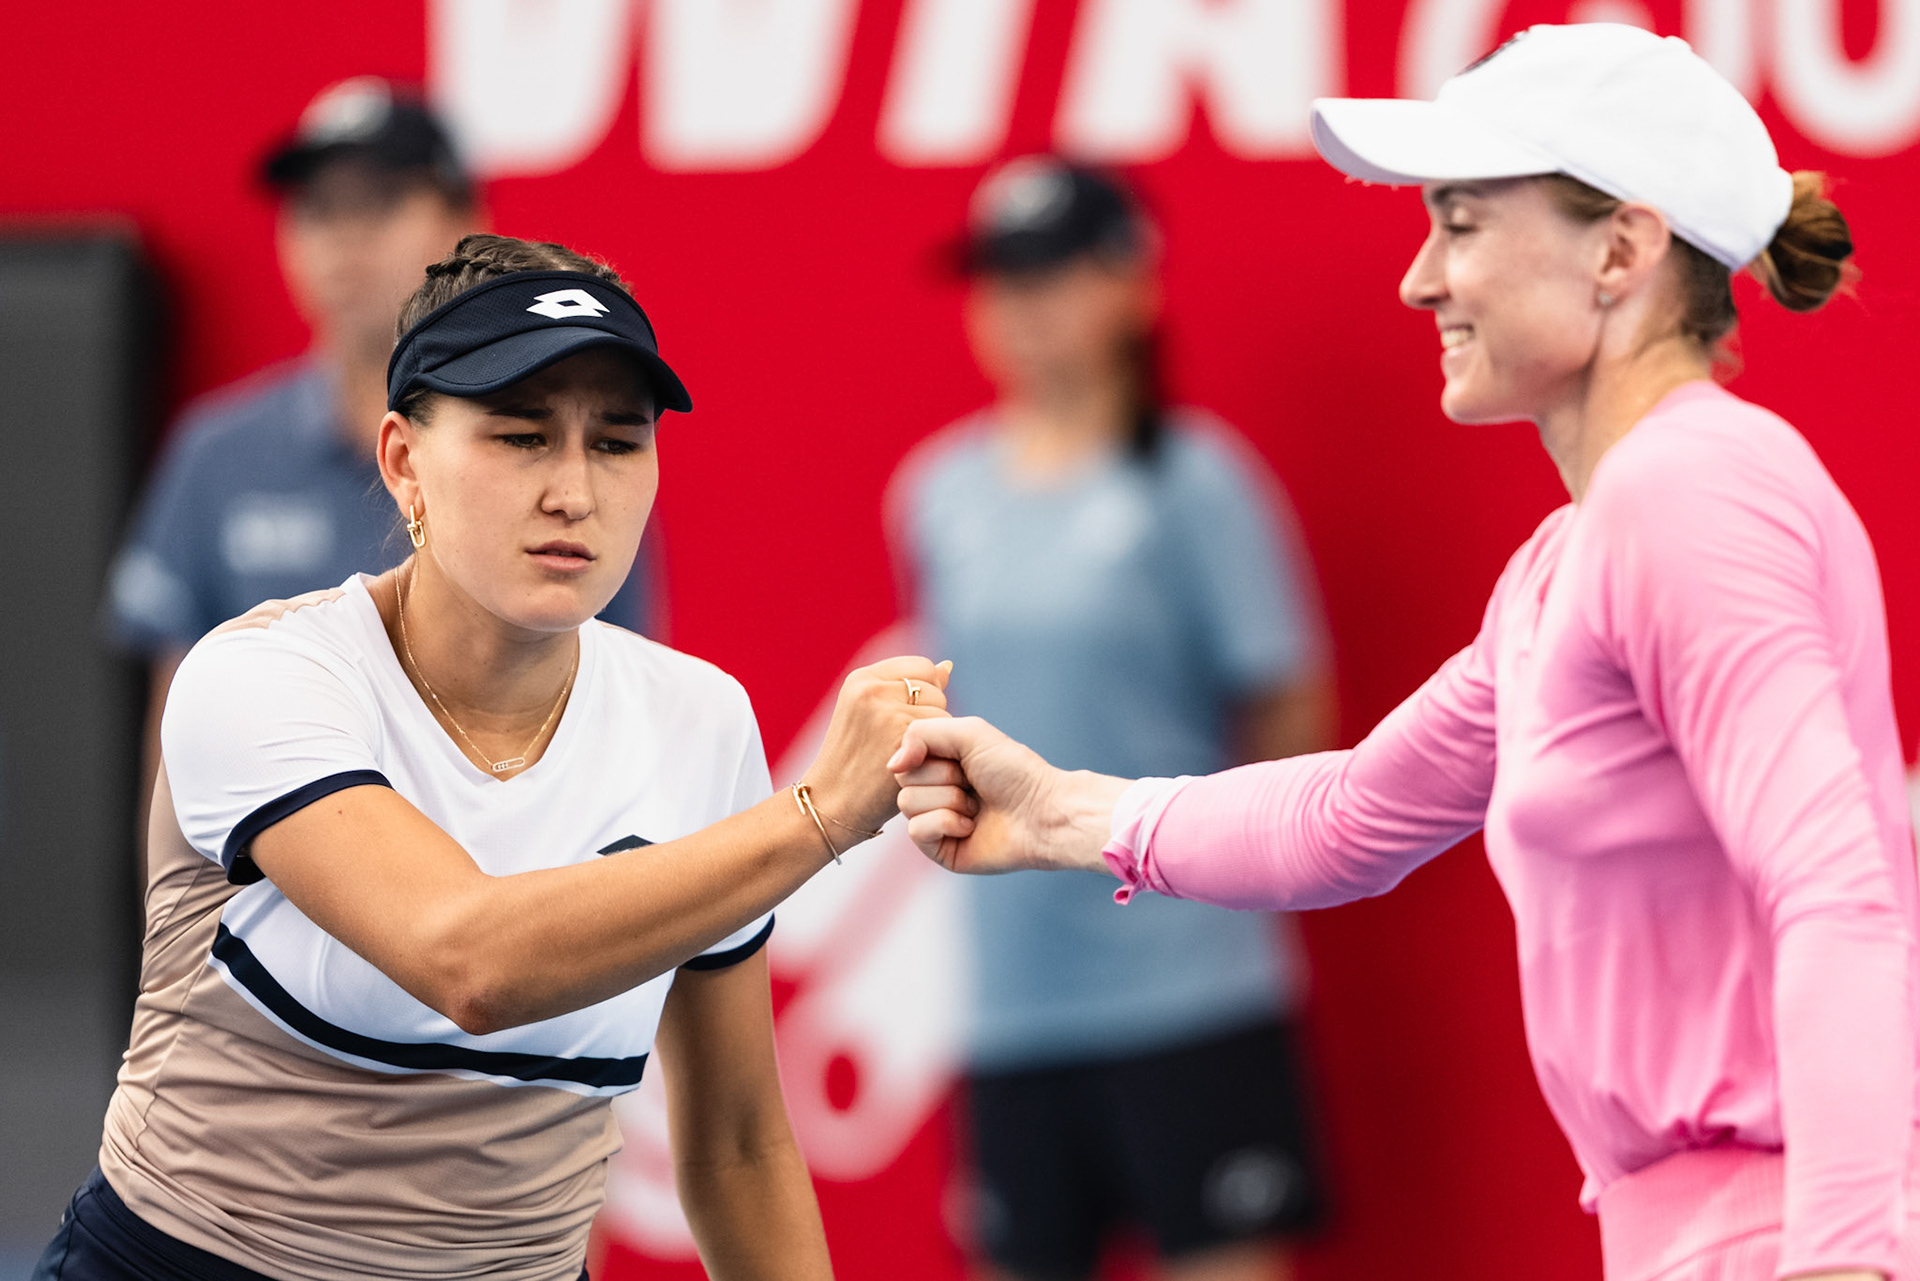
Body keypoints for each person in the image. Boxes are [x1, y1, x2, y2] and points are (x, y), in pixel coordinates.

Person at [893, 24, 1918, 1281]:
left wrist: (1843, 1258)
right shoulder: (1576, 556)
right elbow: (1344, 816)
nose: (1421, 280)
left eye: (1463, 224)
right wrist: (1056, 813)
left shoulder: (1685, 490)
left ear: (1621, 249)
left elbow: (1838, 888)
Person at [34, 233, 950, 1281]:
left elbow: (738, 1145)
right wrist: (820, 815)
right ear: (402, 460)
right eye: (520, 436)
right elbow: (468, 962)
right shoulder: (259, 680)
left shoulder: (701, 721)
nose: (574, 491)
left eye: (617, 442)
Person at [886, 157, 1335, 1281]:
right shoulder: (939, 493)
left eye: (1051, 275)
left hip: (1189, 991)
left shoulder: (1198, 484)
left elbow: (1290, 716)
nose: (1020, 309)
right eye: (1000, 280)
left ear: (1131, 286)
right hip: (1014, 1000)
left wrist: (1209, 865)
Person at [103, 79, 641, 857]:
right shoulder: (216, 455)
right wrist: (188, 935)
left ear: (467, 224)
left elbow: (613, 709)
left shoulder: (564, 458)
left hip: (513, 902)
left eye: (379, 202)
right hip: (275, 926)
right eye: (318, 210)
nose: (343, 239)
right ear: (399, 457)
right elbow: (173, 751)